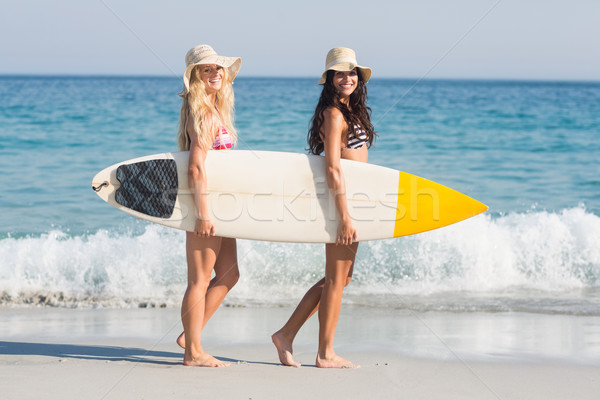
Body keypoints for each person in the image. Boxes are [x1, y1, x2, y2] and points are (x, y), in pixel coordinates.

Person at [272, 47, 376, 368]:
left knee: (341, 278)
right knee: (335, 278)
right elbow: (332, 167)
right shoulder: (333, 114)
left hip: (352, 202)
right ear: (330, 79)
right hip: (339, 203)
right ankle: (325, 353)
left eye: (352, 72)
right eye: (340, 73)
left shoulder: (350, 112)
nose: (348, 78)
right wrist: (344, 217)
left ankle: (286, 334)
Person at [176, 44, 242, 367]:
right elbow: (195, 167)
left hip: (221, 205)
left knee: (230, 273)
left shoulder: (215, 110)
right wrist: (202, 213)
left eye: (218, 68)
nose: (215, 73)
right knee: (199, 280)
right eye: (207, 69)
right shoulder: (200, 111)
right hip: (206, 207)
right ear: (196, 77)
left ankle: (191, 335)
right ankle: (193, 352)